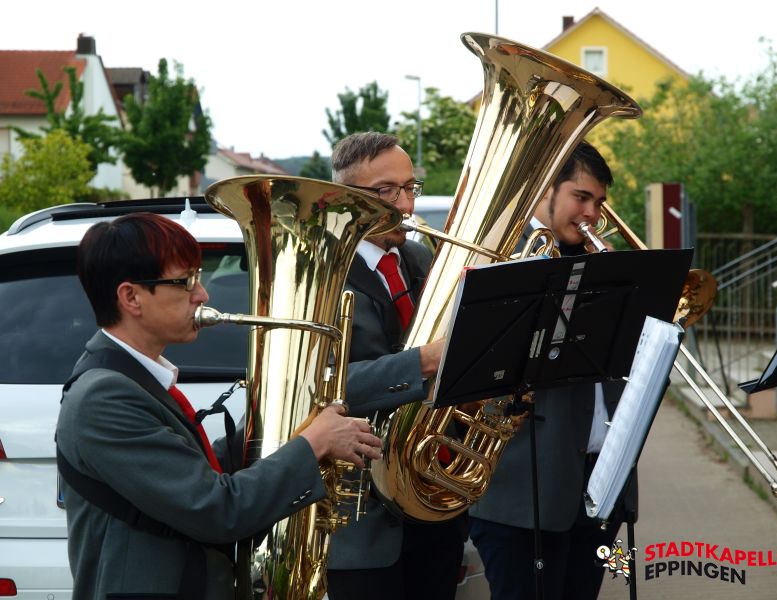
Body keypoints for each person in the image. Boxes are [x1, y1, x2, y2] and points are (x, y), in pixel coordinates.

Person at [55, 212, 382, 600]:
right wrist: (314, 443)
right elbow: (216, 510)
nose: (202, 295)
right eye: (186, 282)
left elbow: (194, 473)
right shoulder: (104, 396)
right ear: (131, 297)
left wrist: (287, 419)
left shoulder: (133, 379)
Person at [469, 140, 635, 599]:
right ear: (546, 188)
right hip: (525, 493)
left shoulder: (597, 260)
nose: (592, 214)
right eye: (581, 197)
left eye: (599, 202)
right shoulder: (504, 254)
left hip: (601, 483)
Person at [325, 132, 465, 600]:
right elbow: (320, 386)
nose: (405, 205)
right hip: (360, 519)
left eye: (409, 188)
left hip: (433, 500)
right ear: (347, 197)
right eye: (386, 191)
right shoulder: (323, 270)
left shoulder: (420, 258)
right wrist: (422, 361)